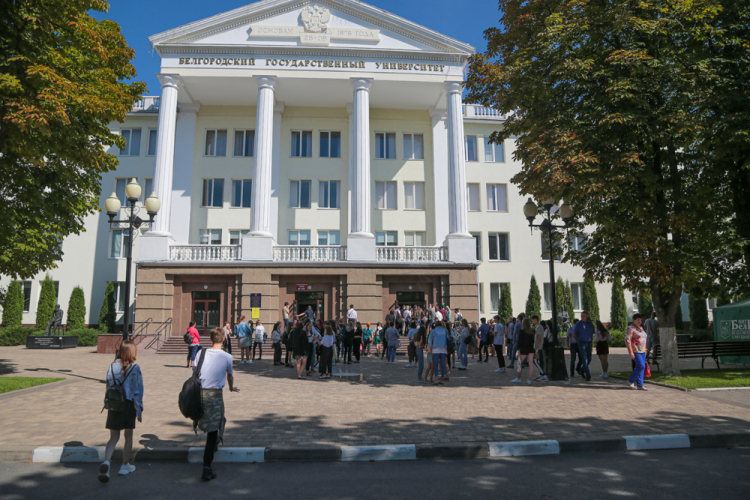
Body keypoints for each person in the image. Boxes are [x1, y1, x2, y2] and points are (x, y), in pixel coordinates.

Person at [192, 327, 239, 482]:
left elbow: (195, 371)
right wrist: (231, 387)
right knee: (214, 429)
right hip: (215, 395)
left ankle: (213, 447)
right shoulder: (226, 356)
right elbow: (230, 376)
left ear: (211, 339)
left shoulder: (201, 353)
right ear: (224, 339)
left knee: (212, 423)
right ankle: (207, 466)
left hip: (200, 394)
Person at [98, 341, 143, 483]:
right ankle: (125, 465)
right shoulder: (135, 368)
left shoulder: (111, 367)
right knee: (128, 435)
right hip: (128, 405)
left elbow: (108, 387)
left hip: (114, 405)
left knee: (113, 437)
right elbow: (137, 391)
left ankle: (106, 462)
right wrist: (139, 409)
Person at [626, 313, 649, 390]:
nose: (639, 321)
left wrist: (645, 349)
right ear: (634, 320)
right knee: (641, 365)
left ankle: (640, 384)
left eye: (641, 320)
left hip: (642, 350)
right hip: (635, 350)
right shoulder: (630, 328)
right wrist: (631, 352)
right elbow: (627, 341)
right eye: (638, 320)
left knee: (643, 367)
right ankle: (631, 380)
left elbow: (643, 339)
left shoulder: (641, 328)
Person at [511, 318, 536, 385]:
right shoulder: (531, 331)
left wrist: (519, 349)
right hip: (530, 349)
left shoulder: (522, 331)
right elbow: (533, 341)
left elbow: (520, 341)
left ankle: (519, 378)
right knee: (531, 364)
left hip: (524, 349)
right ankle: (529, 379)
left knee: (519, 363)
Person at [573, 311, 595, 381]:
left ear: (587, 316)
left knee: (589, 359)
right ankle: (588, 375)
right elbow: (575, 334)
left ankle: (581, 370)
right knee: (584, 360)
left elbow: (592, 333)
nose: (582, 317)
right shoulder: (578, 324)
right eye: (581, 316)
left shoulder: (590, 324)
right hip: (582, 343)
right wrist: (579, 341)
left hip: (589, 343)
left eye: (584, 316)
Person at [530, 316, 548, 381]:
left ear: (535, 319)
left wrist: (535, 347)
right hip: (538, 347)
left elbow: (539, 338)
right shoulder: (539, 327)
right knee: (538, 361)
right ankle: (541, 374)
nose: (532, 322)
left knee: (535, 361)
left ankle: (543, 374)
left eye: (533, 320)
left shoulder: (539, 327)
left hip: (538, 347)